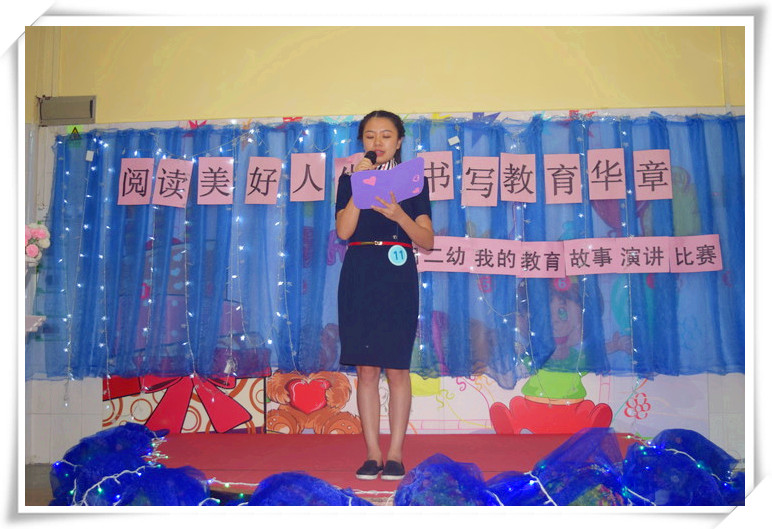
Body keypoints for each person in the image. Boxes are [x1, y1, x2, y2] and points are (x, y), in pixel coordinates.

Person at [335, 110, 434, 480]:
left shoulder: (413, 181)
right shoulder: (348, 180)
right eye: (370, 136)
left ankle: (395, 454)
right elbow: (344, 232)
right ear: (362, 141)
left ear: (399, 140)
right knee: (366, 369)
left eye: (386, 135)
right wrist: (359, 187)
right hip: (360, 272)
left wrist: (399, 216)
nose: (377, 142)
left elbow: (427, 240)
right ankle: (372, 454)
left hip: (397, 272)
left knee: (396, 368)